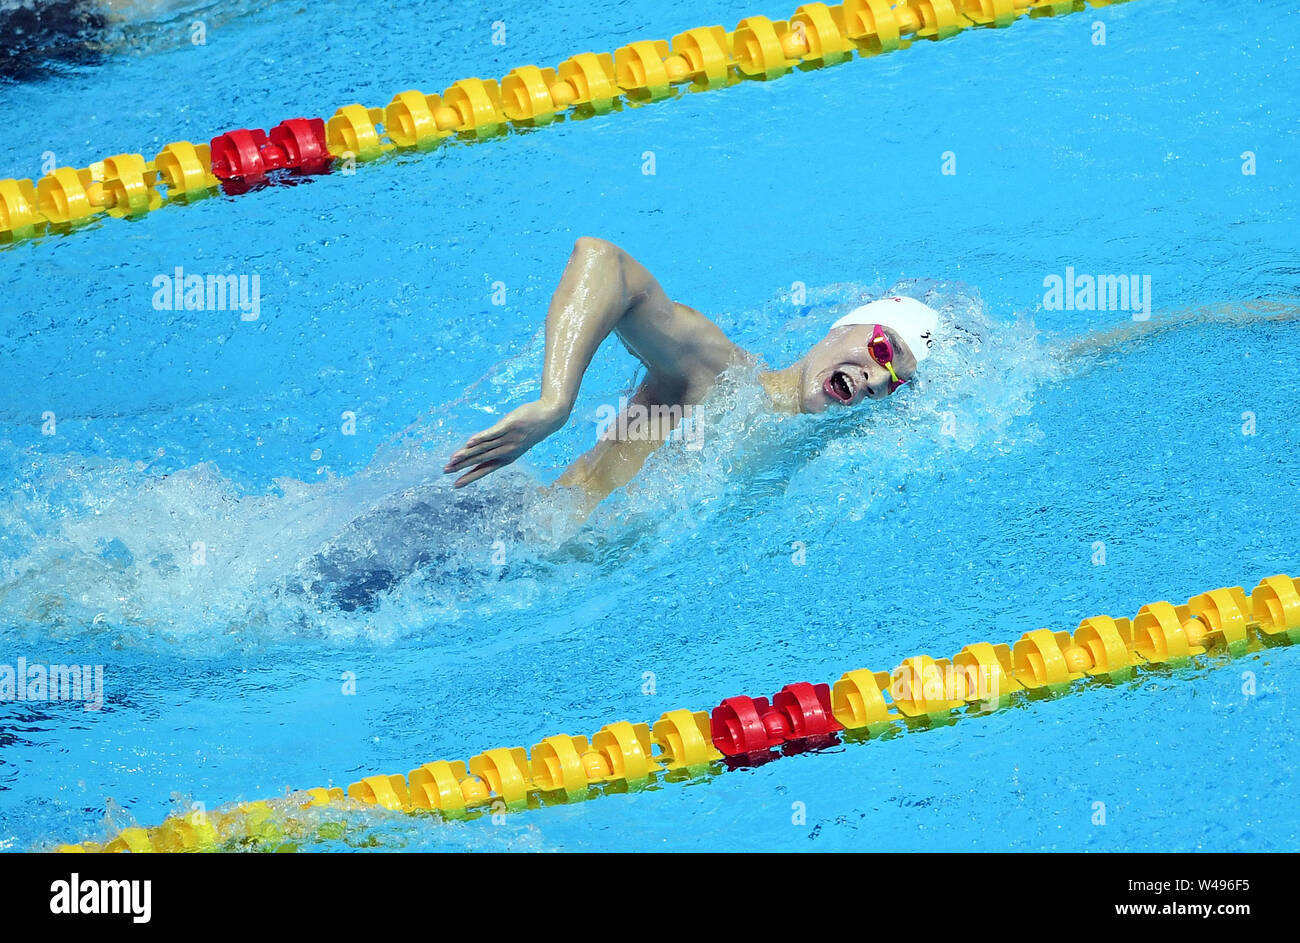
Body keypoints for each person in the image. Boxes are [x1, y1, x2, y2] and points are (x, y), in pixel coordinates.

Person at [444, 237, 940, 514]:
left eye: (894, 381)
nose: (876, 378)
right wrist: (555, 402)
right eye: (882, 348)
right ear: (842, 328)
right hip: (490, 529)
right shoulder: (722, 374)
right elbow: (603, 262)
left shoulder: (812, 457)